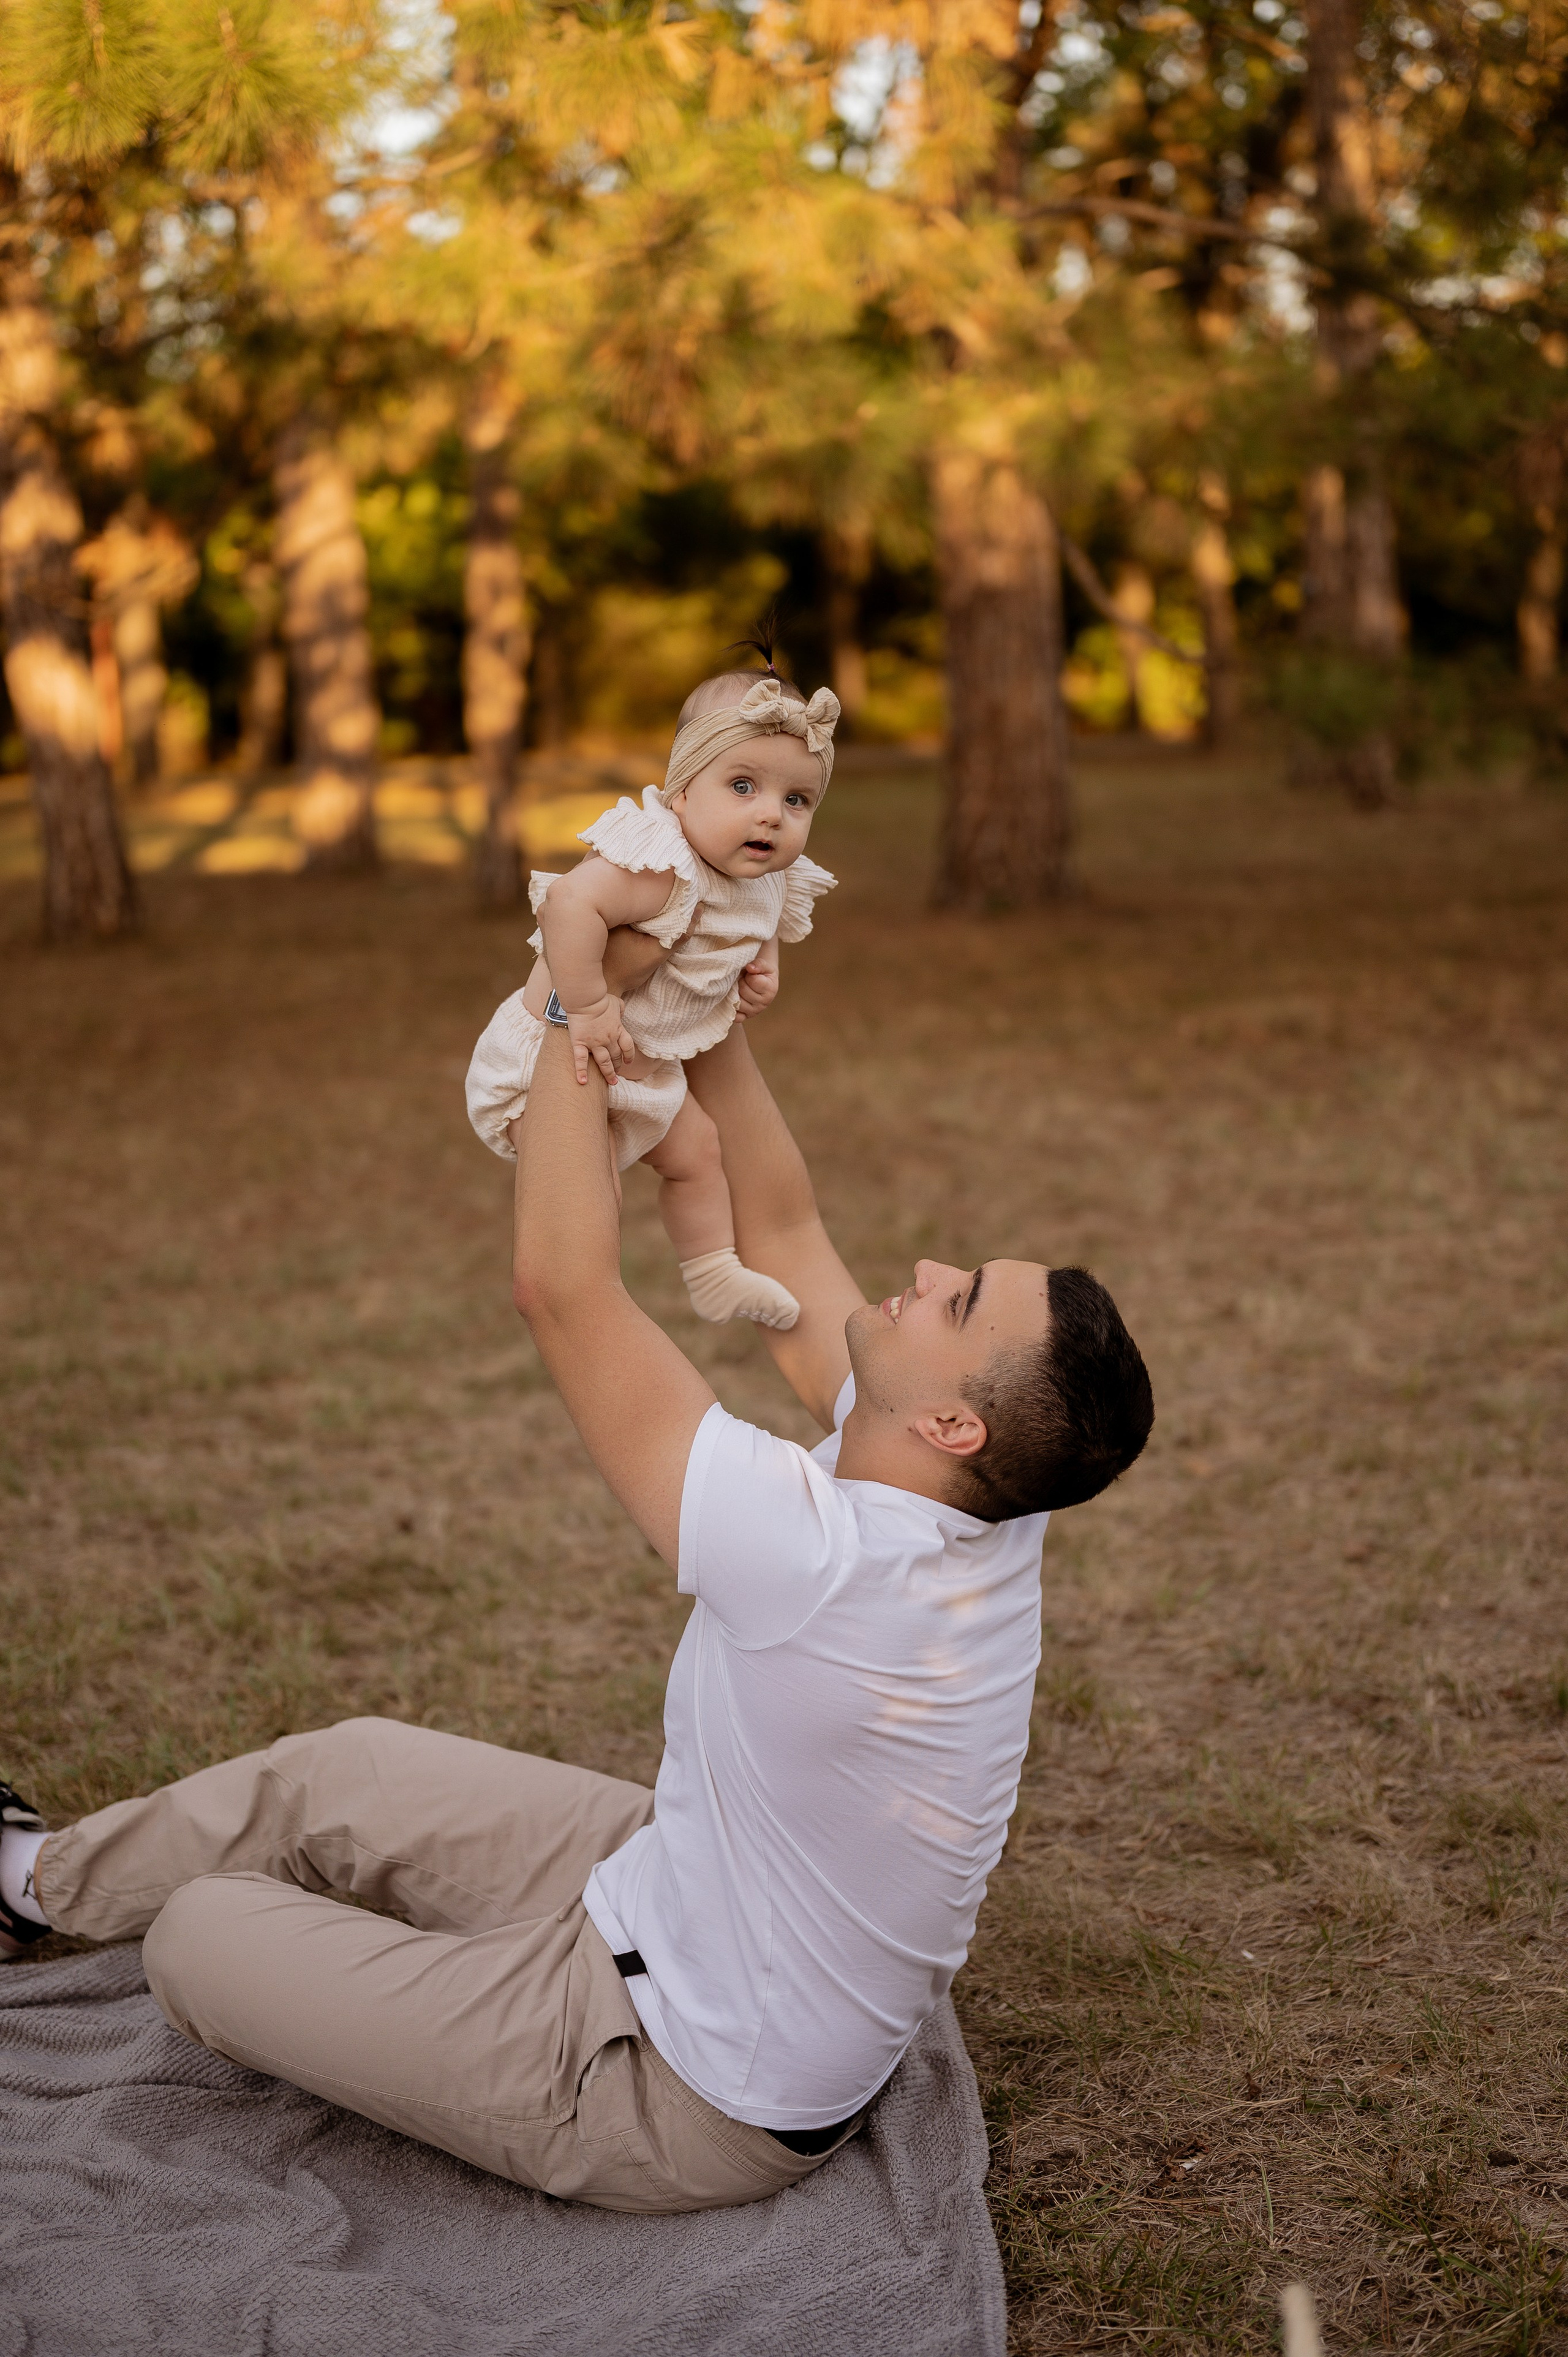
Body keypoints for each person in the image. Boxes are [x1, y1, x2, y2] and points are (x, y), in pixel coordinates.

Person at [0, 951, 1153, 2217]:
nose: (927, 1268)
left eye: (961, 1299)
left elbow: (559, 1288)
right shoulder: (984, 1489)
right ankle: (28, 1883)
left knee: (202, 1935)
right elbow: (779, 1235)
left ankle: (250, 1939)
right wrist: (711, 994)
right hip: (683, 1883)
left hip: (677, 2089)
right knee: (345, 1771)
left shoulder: (820, 1558)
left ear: (952, 1423)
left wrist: (573, 992)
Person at [466, 651, 838, 1332]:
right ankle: (586, 1305)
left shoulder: (764, 873)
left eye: (796, 800)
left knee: (699, 1155)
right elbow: (568, 904)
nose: (771, 816)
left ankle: (713, 1272)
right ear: (682, 792)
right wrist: (586, 1005)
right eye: (743, 786)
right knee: (590, 1195)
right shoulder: (661, 865)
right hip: (551, 1060)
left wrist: (764, 966)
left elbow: (764, 918)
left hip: (640, 1068)